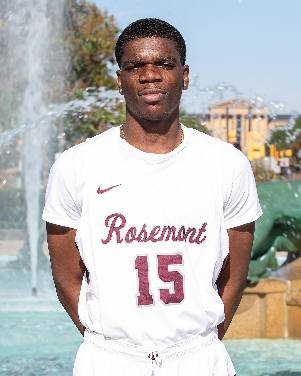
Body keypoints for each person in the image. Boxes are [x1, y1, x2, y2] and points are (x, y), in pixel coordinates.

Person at [43, 18, 262, 376]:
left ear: (185, 75)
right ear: (119, 80)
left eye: (164, 64)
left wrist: (199, 340)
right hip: (109, 358)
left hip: (198, 356)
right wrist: (107, 340)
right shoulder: (76, 165)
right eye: (135, 66)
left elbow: (234, 274)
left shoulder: (227, 164)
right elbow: (66, 275)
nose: (150, 75)